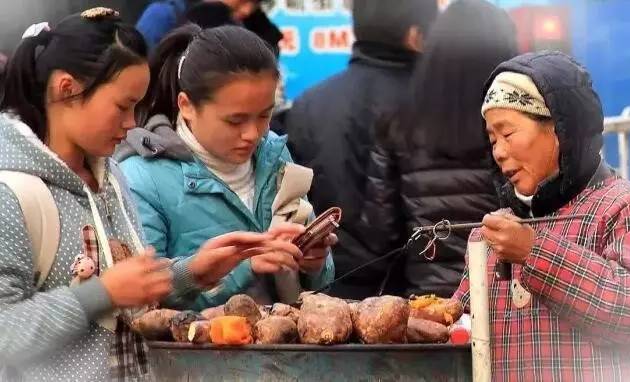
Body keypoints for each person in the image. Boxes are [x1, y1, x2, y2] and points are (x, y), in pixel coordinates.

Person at [0, 9, 299, 381]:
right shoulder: (10, 191)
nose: (131, 124)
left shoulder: (110, 177)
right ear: (67, 89)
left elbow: (135, 302)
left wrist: (195, 271)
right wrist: (102, 293)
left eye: (136, 107)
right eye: (123, 107)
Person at [116, 24, 335, 310]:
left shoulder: (275, 155)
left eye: (264, 115)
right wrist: (244, 268)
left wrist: (313, 263)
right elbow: (140, 305)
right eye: (235, 121)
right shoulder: (141, 177)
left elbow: (320, 283)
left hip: (291, 350)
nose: (253, 134)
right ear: (187, 106)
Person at [452, 51, 630, 380]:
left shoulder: (621, 206)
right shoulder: (489, 235)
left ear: (562, 129)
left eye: (507, 134)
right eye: (492, 139)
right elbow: (464, 326)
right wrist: (434, 323)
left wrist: (534, 251)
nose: (499, 151)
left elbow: (628, 313)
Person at [361, 0, 518, 298]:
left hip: (431, 308)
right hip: (508, 303)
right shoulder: (514, 129)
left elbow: (380, 233)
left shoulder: (398, 126)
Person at [284, 0, 438, 300]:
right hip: (413, 295)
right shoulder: (435, 107)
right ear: (415, 35)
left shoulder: (309, 104)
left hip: (329, 290)